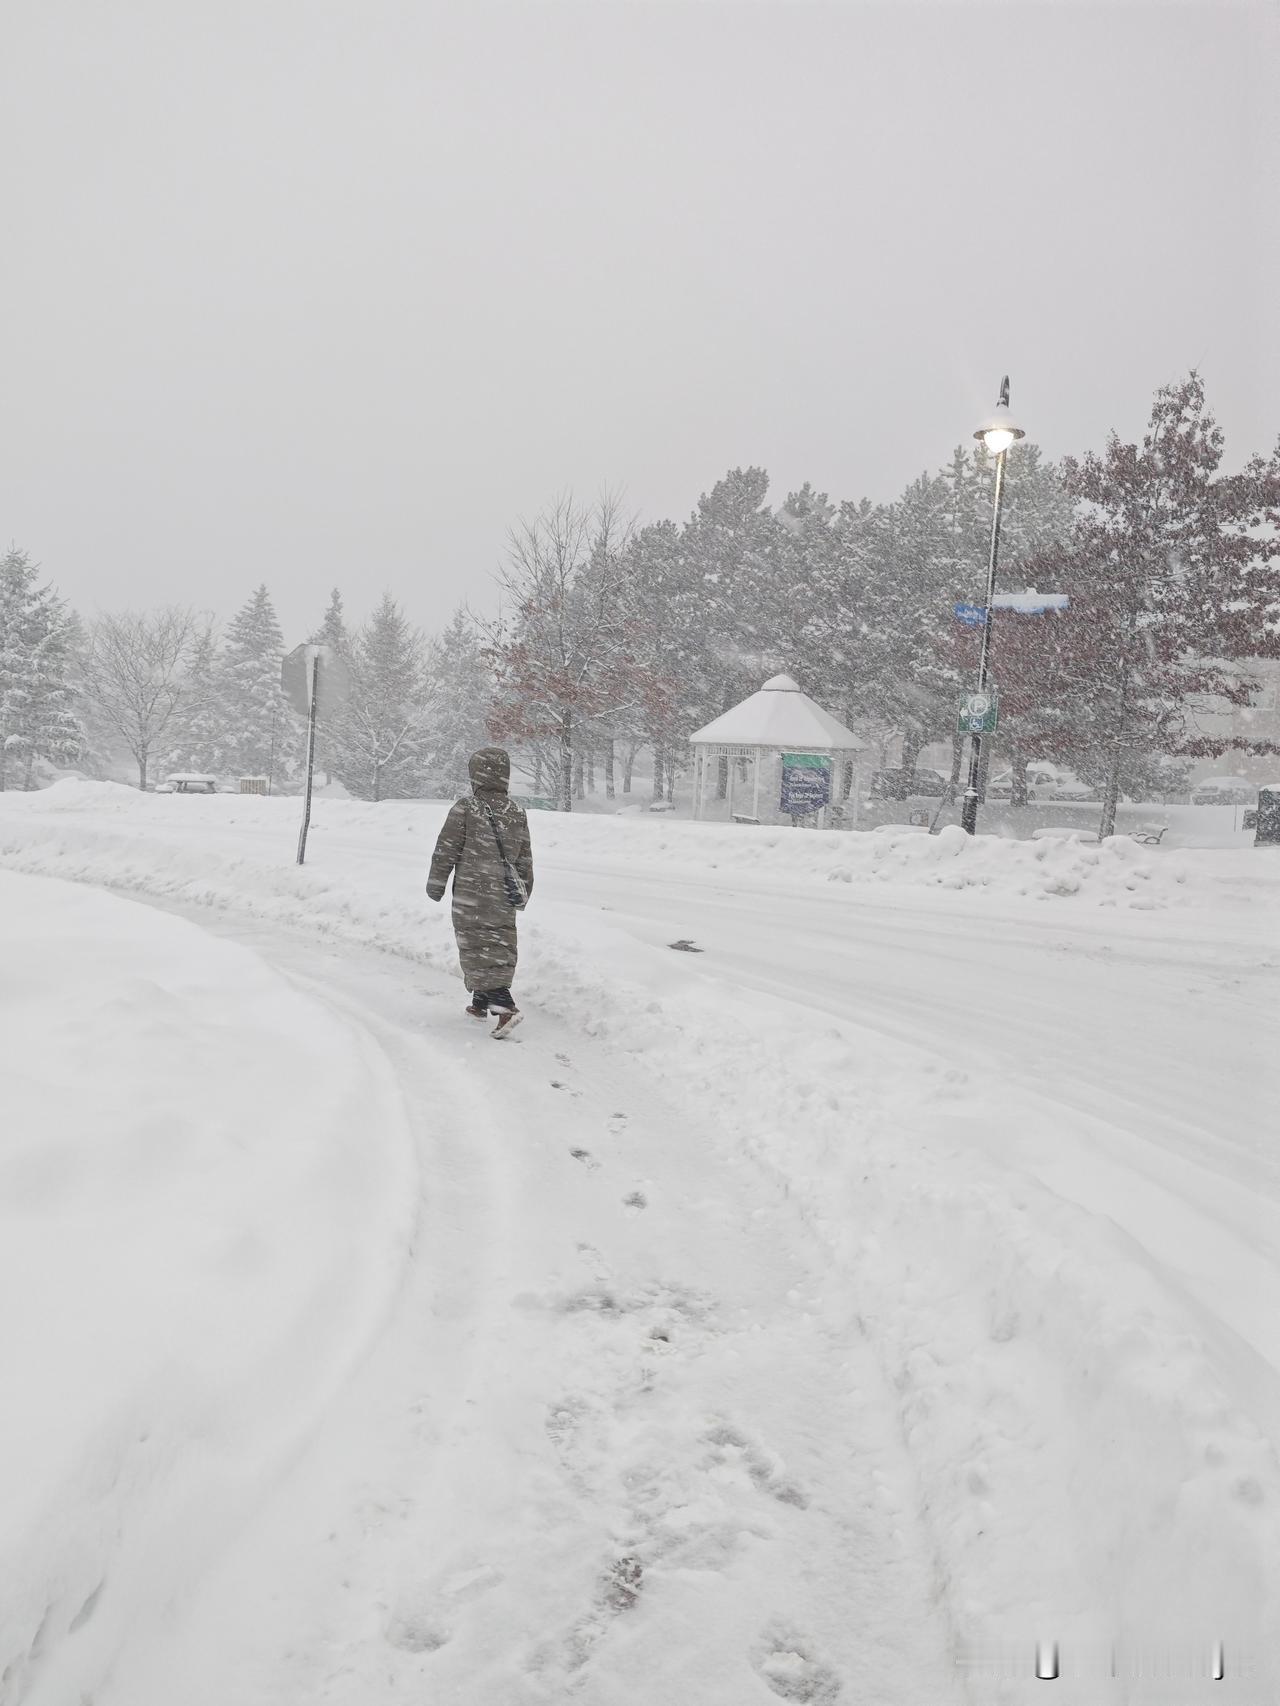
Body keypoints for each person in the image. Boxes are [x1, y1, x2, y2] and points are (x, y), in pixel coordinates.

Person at [426, 747, 534, 1038]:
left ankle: (504, 1006)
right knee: (497, 941)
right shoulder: (516, 811)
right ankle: (480, 1002)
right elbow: (525, 857)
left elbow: (445, 850)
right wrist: (525, 889)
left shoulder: (467, 808)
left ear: (476, 774)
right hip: (503, 894)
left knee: (475, 943)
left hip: (472, 891)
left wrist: (436, 884)